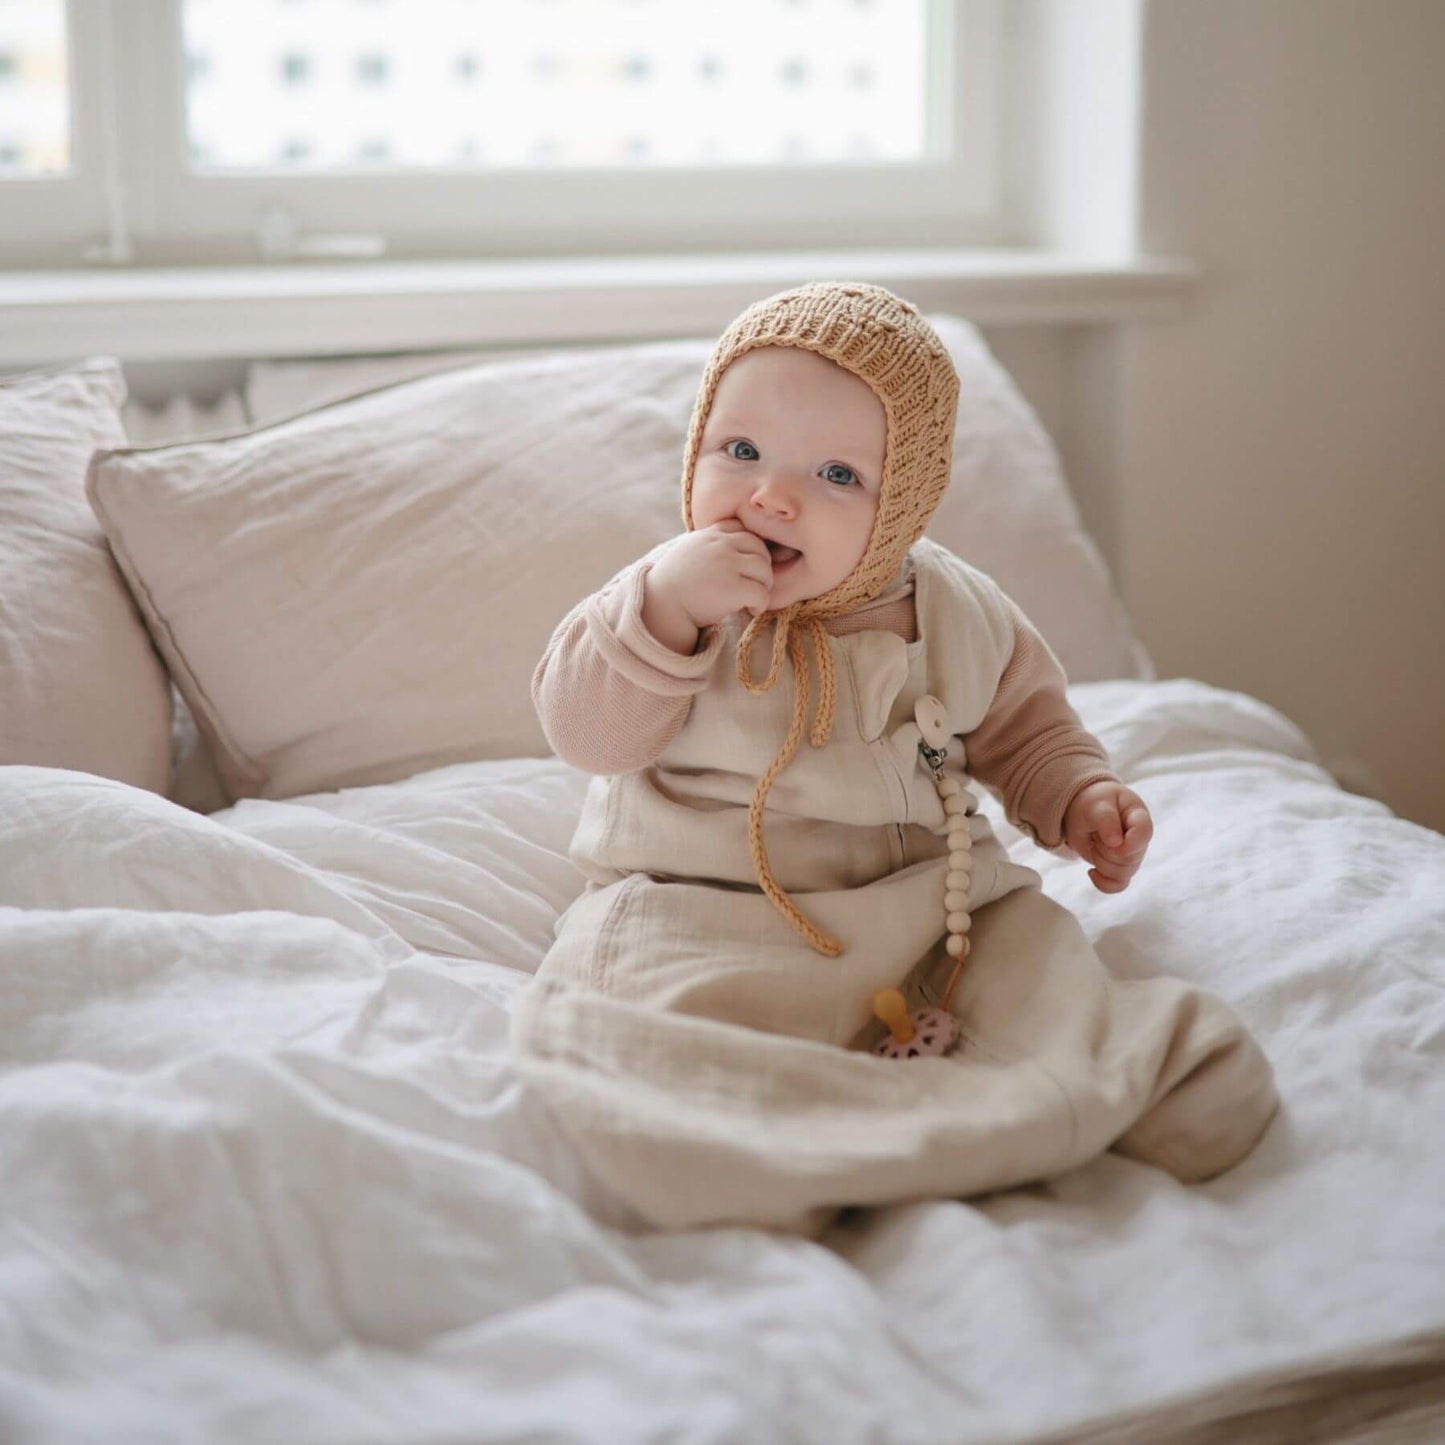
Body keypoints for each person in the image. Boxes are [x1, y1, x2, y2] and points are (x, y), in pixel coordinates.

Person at [511, 282, 1278, 1236]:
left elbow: (1025, 731)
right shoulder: (668, 595)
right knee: (638, 1033)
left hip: (923, 910)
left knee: (1030, 978)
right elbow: (588, 735)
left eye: (836, 474)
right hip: (704, 904)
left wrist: (1077, 797)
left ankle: (1072, 1086)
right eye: (740, 451)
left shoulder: (956, 609)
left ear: (903, 503)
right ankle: (764, 1140)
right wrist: (667, 612)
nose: (772, 494)